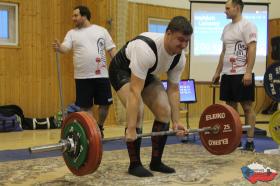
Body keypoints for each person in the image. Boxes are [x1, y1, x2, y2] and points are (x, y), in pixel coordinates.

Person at [109, 16, 192, 177]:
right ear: (168, 33)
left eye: (186, 41)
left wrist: (176, 122)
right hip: (121, 70)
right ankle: (134, 165)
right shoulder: (146, 48)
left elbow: (174, 90)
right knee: (138, 110)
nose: (183, 45)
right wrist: (131, 129)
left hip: (146, 72)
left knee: (164, 111)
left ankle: (156, 161)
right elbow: (134, 92)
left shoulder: (180, 57)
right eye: (180, 40)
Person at [52, 5, 116, 138]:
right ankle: (91, 132)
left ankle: (99, 127)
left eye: (75, 15)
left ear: (84, 16)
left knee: (105, 104)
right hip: (82, 77)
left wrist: (119, 65)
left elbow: (111, 50)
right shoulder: (72, 33)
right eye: (73, 16)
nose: (73, 18)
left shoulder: (101, 31)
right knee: (85, 108)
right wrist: (59, 47)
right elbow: (65, 48)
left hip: (101, 75)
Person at [212, 0, 257, 151]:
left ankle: (250, 141)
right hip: (227, 74)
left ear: (237, 8)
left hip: (241, 73)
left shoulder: (247, 25)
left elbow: (252, 48)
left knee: (247, 107)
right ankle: (235, 139)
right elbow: (223, 52)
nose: (225, 11)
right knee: (231, 108)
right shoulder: (226, 28)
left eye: (227, 8)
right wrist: (218, 72)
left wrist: (248, 71)